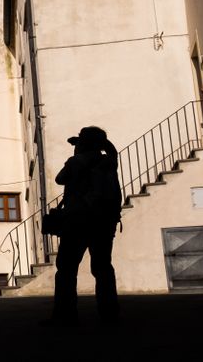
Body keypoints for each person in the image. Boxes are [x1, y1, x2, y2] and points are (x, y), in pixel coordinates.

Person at [50, 126, 122, 325]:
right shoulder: (108, 162)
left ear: (84, 143)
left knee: (66, 269)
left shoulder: (76, 162)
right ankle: (109, 314)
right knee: (103, 268)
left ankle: (65, 315)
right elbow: (113, 151)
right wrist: (103, 144)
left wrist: (77, 153)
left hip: (77, 222)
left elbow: (60, 179)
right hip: (103, 223)